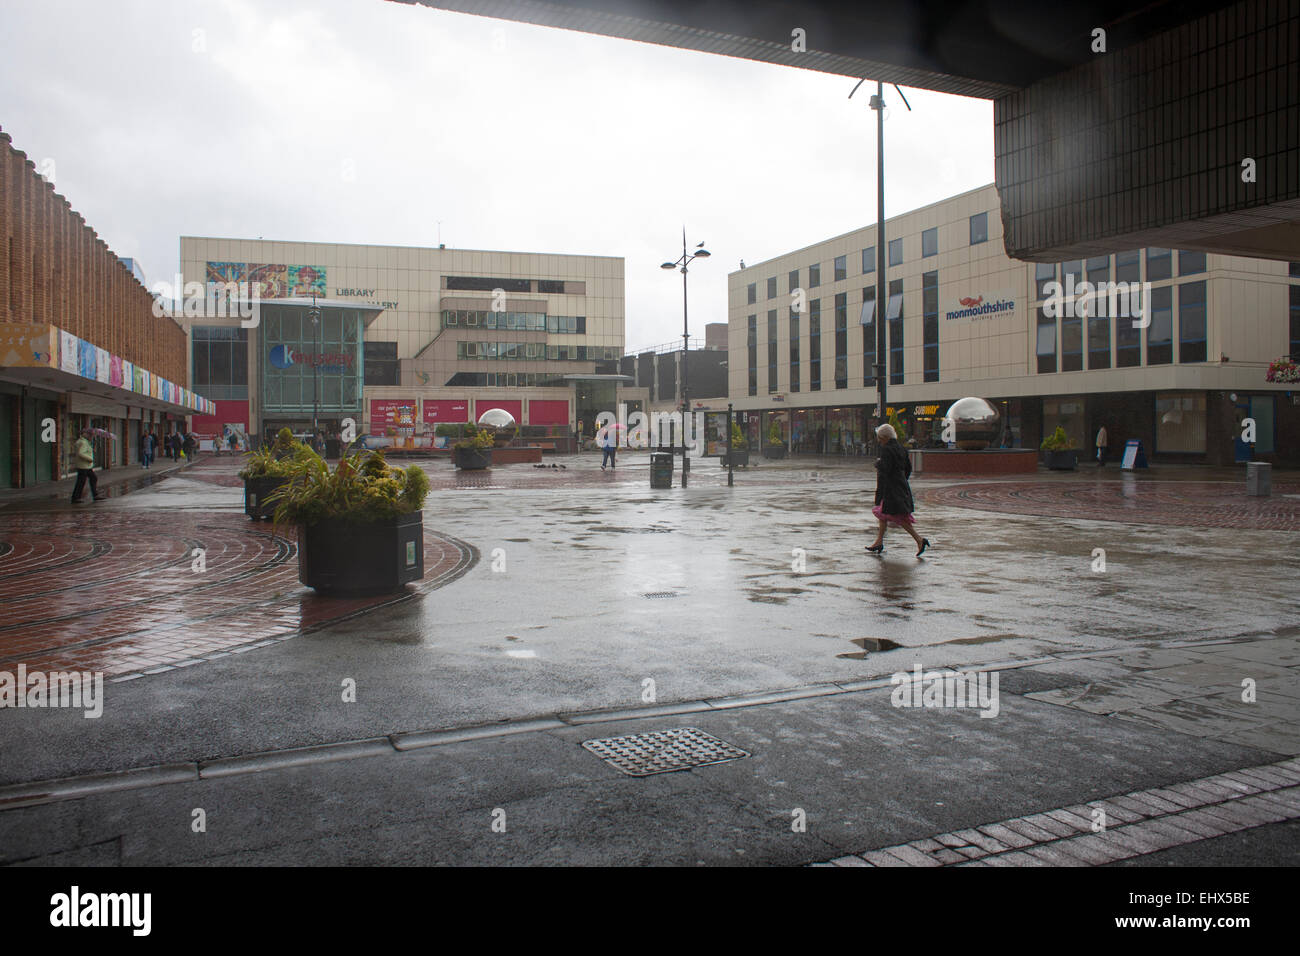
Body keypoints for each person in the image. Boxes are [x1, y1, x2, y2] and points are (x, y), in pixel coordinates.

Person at [867, 423, 930, 557]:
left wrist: (878, 464)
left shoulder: (887, 450)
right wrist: (902, 480)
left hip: (891, 489)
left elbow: (886, 470)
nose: (879, 441)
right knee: (883, 514)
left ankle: (919, 540)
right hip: (901, 486)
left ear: (884, 437)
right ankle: (879, 541)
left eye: (879, 438)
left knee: (900, 518)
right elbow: (908, 469)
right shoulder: (902, 449)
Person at [71, 428, 104, 503]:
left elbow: (85, 451)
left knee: (93, 478)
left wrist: (92, 449)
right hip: (83, 465)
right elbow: (81, 453)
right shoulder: (83, 442)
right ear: (85, 434)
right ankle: (76, 497)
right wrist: (90, 459)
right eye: (90, 435)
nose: (91, 436)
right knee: (81, 481)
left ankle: (94, 495)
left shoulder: (85, 442)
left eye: (92, 435)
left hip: (86, 466)